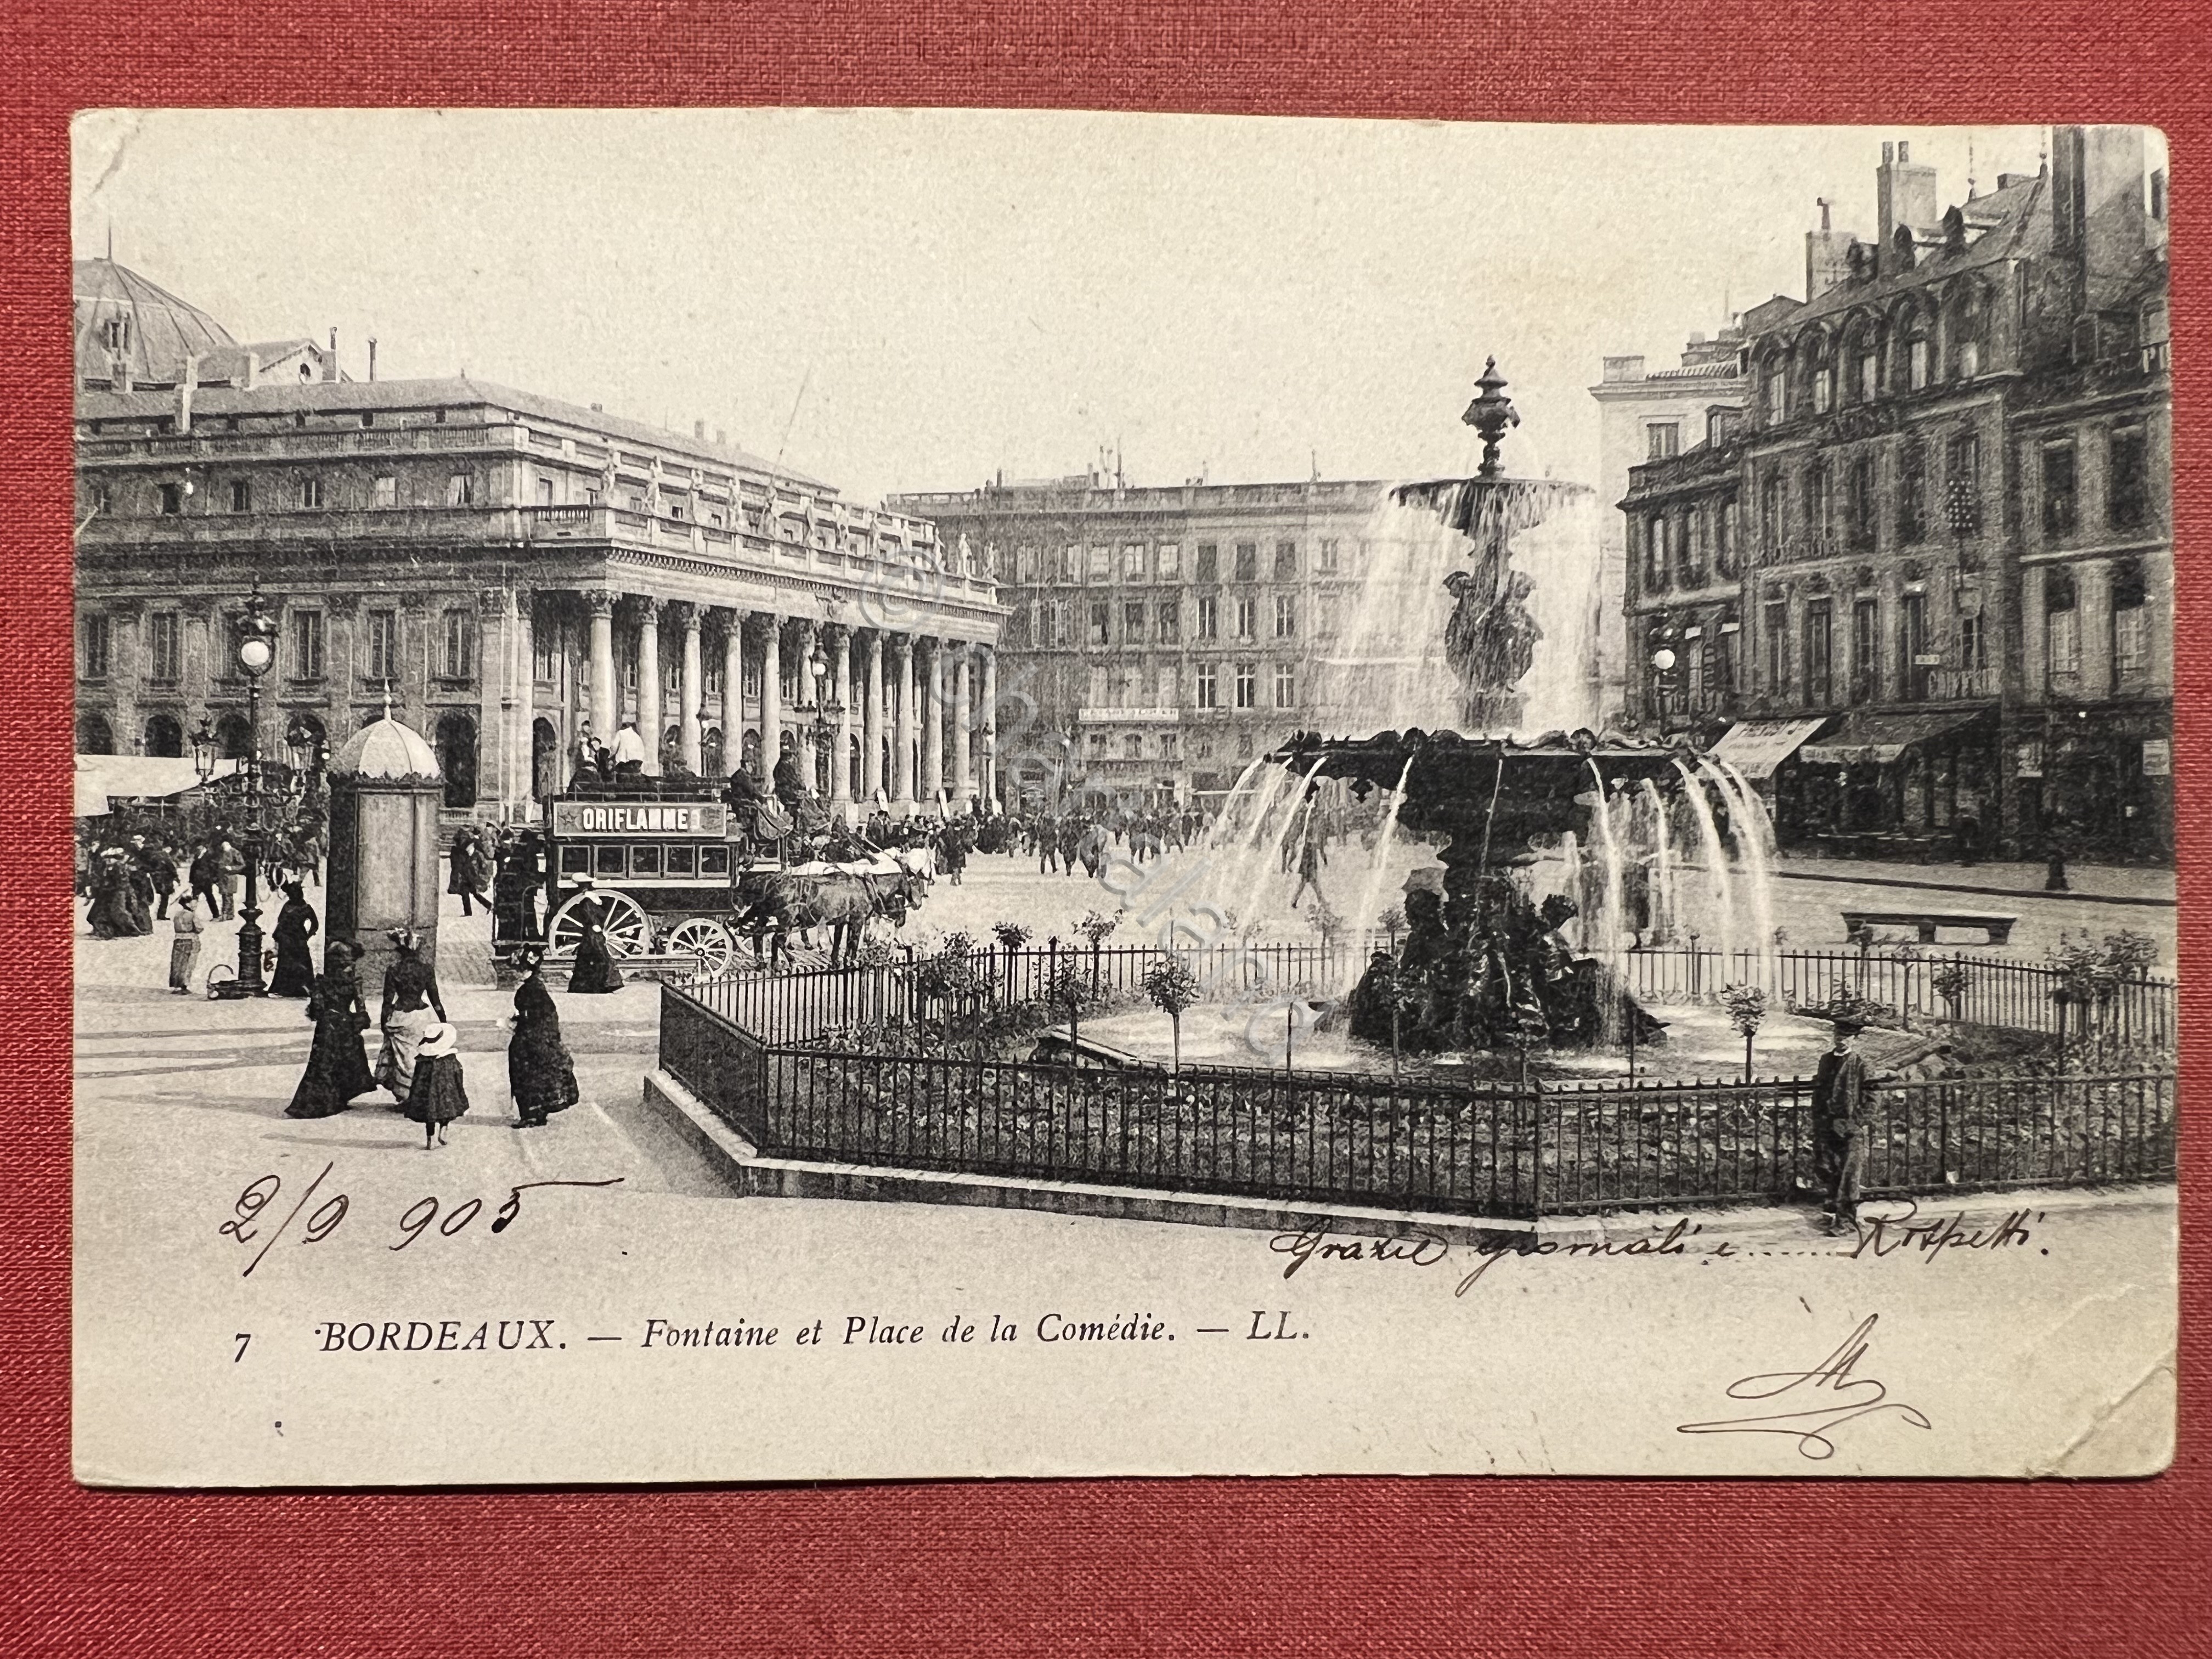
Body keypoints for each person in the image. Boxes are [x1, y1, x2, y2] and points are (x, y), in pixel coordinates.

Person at [285, 941, 375, 1119]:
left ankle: (321, 1101)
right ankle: (340, 1097)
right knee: (345, 1062)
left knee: (321, 1064)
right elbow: (361, 1008)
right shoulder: (354, 983)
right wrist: (357, 1023)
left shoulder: (321, 982)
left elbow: (316, 1009)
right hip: (345, 1025)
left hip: (326, 1027)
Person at [507, 944, 580, 1127]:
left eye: (519, 970)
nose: (516, 973)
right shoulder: (534, 986)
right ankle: (537, 1115)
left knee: (525, 1075)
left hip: (533, 1039)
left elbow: (539, 1015)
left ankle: (530, 1116)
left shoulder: (533, 989)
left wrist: (518, 1023)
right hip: (538, 1037)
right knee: (537, 1075)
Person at [1811, 1018, 1872, 1232]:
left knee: (1850, 1177)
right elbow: (1819, 1091)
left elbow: (1872, 1098)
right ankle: (1832, 1213)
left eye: (1847, 1036)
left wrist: (1855, 1122)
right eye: (1838, 1035)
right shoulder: (1826, 1060)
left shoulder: (1861, 1064)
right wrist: (1818, 1120)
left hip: (1850, 1129)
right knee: (1829, 1170)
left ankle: (1845, 1221)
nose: (1842, 1040)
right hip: (1827, 1126)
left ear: (1855, 1039)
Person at [376, 929, 448, 1101]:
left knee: (404, 1058)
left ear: (400, 952)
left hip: (402, 1016)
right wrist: (443, 1021)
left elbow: (387, 1000)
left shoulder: (394, 970)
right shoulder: (426, 970)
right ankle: (419, 1095)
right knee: (421, 1054)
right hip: (423, 1017)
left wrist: (384, 1022)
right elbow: (435, 1000)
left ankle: (404, 1094)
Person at [402, 1019, 471, 1149]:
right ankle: (442, 1132)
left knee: (430, 1115)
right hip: (446, 1092)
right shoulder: (450, 1059)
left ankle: (430, 1139)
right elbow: (458, 1075)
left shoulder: (422, 1060)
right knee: (447, 1112)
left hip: (428, 1093)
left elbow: (417, 1078)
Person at [566, 893, 625, 993]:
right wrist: (595, 924)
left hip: (593, 935)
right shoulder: (587, 903)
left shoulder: (590, 902)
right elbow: (591, 917)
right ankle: (602, 985)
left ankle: (591, 986)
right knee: (600, 958)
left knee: (592, 959)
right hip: (593, 935)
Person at [269, 881, 319, 998]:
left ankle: (301, 988)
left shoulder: (306, 908)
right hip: (287, 939)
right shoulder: (287, 906)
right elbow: (281, 923)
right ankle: (286, 989)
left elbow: (315, 925)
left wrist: (307, 936)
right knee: (287, 963)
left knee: (300, 963)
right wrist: (278, 936)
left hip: (297, 939)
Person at [167, 892, 203, 994]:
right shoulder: (192, 915)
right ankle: (184, 985)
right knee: (188, 963)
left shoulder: (177, 915)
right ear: (188, 904)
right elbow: (199, 928)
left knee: (177, 962)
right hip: (190, 940)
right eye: (193, 904)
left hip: (178, 939)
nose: (195, 906)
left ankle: (176, 985)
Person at [448, 827, 489, 916]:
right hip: (467, 875)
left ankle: (472, 911)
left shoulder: (462, 849)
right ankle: (487, 906)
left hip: (467, 875)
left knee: (469, 893)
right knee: (469, 893)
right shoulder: (463, 849)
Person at [1290, 831, 1327, 909]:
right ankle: (1321, 900)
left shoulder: (1306, 844)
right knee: (1312, 884)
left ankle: (1295, 901)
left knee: (1307, 884)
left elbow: (1296, 852)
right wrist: (1325, 860)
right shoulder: (1311, 845)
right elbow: (1320, 850)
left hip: (1307, 866)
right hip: (1309, 867)